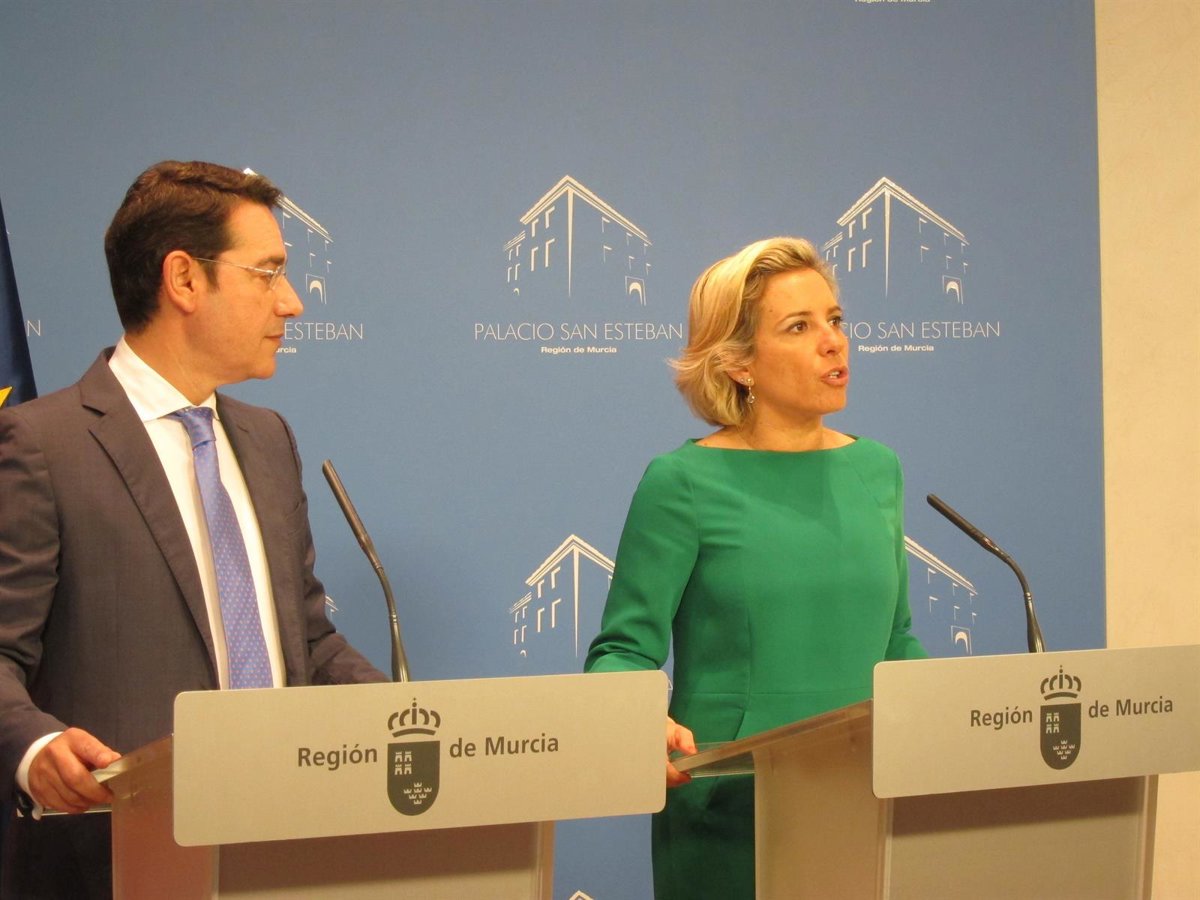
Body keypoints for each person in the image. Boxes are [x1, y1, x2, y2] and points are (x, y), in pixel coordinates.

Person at [0, 160, 388, 897]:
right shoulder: (43, 445)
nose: (293, 302)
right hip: (115, 861)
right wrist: (35, 745)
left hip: (281, 853)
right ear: (183, 279)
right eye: (268, 273)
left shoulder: (268, 440)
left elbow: (306, 642)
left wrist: (415, 722)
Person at [584, 236, 927, 899]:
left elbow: (897, 640)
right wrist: (635, 717)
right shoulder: (683, 482)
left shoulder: (877, 469)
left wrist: (948, 719)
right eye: (799, 327)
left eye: (835, 320)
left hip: (869, 800)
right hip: (731, 810)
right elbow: (621, 651)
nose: (833, 342)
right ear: (738, 362)